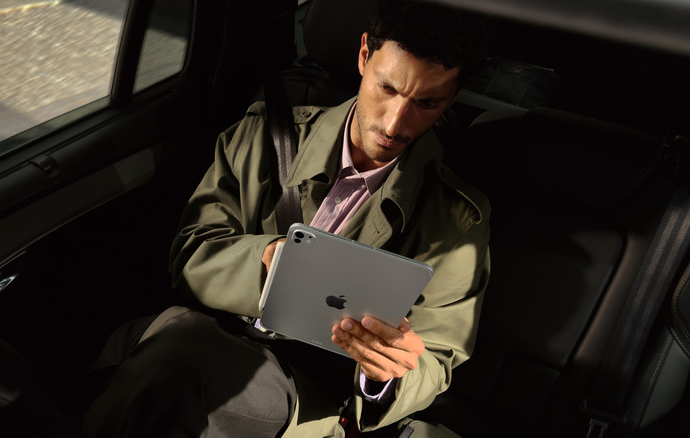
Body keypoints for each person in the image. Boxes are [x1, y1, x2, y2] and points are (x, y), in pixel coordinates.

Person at [82, 1, 490, 437]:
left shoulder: (456, 219)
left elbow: (437, 356)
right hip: (203, 333)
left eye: (427, 103)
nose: (395, 124)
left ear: (453, 97)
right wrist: (267, 259)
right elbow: (191, 251)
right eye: (387, 88)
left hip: (303, 386)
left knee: (175, 363)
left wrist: (385, 373)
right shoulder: (263, 135)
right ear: (364, 55)